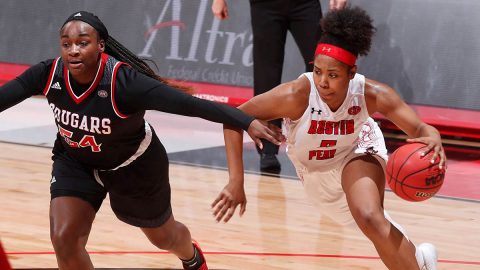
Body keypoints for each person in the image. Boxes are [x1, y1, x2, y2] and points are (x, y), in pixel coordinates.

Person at [0, 11, 284, 270]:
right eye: (66, 43)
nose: (73, 50)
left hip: (134, 166)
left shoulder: (124, 82)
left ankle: (192, 257)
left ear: (100, 46)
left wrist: (246, 121)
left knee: (164, 237)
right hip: (76, 161)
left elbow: (192, 105)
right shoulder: (48, 74)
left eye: (82, 43)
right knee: (64, 239)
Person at [212, 6, 446, 270]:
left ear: (352, 73)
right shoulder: (296, 94)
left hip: (357, 150)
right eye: (318, 71)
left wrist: (433, 138)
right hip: (314, 174)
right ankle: (422, 261)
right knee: (373, 227)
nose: (323, 82)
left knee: (370, 217)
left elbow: (421, 129)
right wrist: (236, 180)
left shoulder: (372, 94)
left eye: (333, 75)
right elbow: (231, 117)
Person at [212, 0, 347, 172]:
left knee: (321, 64)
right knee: (266, 73)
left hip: (305, 4)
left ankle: (322, 139)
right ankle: (268, 148)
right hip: (265, 6)